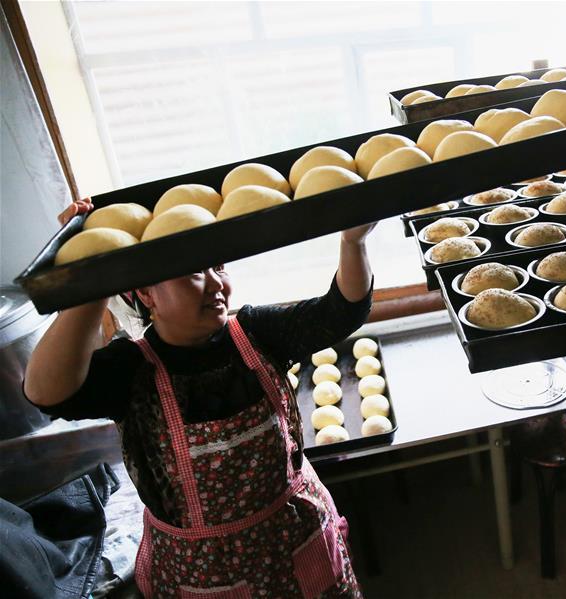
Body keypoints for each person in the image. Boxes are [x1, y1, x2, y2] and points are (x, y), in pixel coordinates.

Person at [25, 199, 375, 597]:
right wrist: (87, 283)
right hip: (200, 573)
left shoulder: (257, 334)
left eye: (220, 267)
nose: (217, 284)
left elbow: (341, 312)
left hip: (298, 539)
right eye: (194, 272)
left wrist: (353, 241)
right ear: (146, 292)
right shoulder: (131, 371)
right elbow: (47, 393)